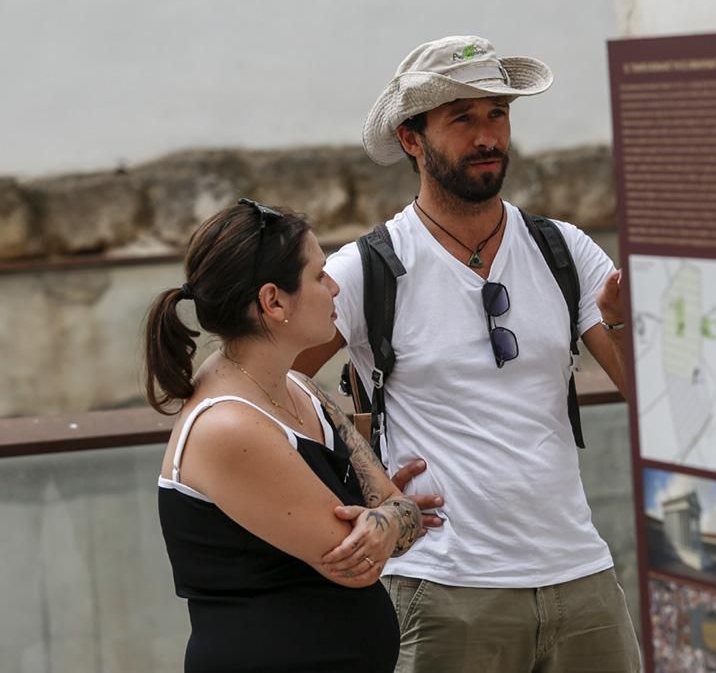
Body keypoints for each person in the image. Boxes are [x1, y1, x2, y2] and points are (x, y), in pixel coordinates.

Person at [294, 35, 641, 672]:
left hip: (581, 577)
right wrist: (364, 476)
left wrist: (618, 323)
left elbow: (644, 398)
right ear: (411, 139)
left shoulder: (565, 249)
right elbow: (266, 382)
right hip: (444, 590)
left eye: (497, 114)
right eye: (462, 119)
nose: (488, 136)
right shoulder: (368, 269)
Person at [146, 199, 425, 672]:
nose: (335, 286)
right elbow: (360, 565)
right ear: (273, 302)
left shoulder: (299, 388)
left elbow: (401, 509)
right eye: (319, 276)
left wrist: (393, 519)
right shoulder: (228, 426)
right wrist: (394, 519)